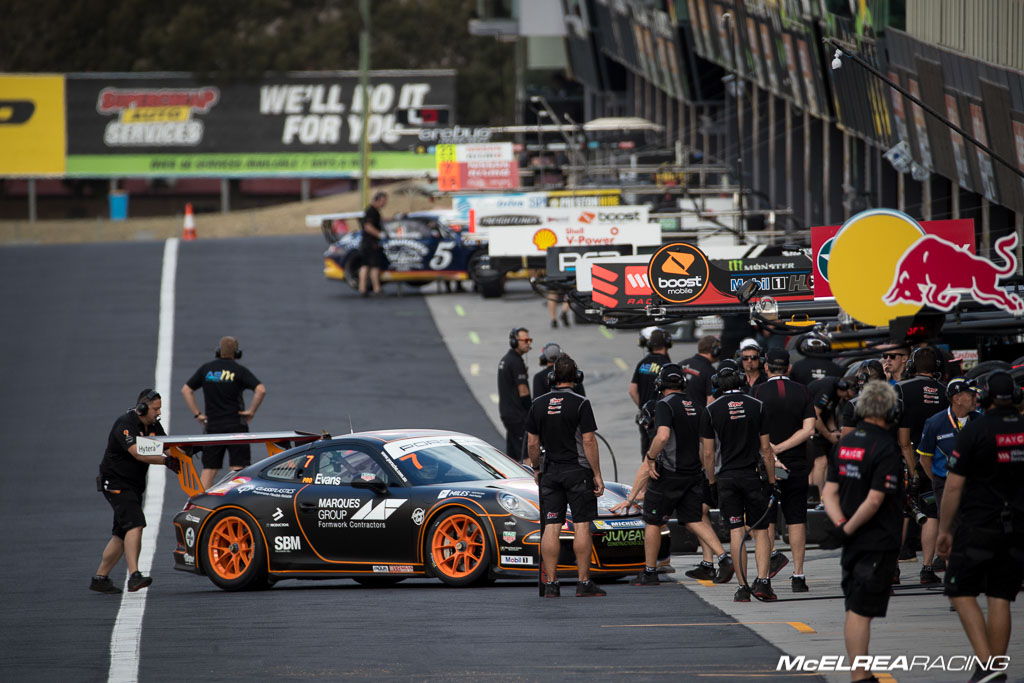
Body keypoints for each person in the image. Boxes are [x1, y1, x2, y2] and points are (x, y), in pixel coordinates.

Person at [938, 371, 1023, 683]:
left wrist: (945, 529)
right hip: (1017, 527)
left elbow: (953, 487)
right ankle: (994, 667)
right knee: (1001, 595)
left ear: (983, 397)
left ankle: (988, 665)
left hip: (979, 523)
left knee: (959, 590)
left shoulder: (975, 430)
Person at [821, 381, 904, 683]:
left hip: (852, 539)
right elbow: (874, 499)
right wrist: (850, 528)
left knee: (854, 606)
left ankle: (861, 672)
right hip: (876, 538)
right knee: (860, 609)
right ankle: (859, 675)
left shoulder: (845, 443)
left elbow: (828, 493)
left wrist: (841, 525)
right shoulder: (885, 447)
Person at [620, 364, 732, 586]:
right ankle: (724, 557)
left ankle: (650, 572)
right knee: (693, 519)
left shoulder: (664, 405)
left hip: (668, 474)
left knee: (652, 521)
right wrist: (708, 476)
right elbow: (707, 448)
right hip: (692, 473)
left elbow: (662, 436)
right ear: (683, 383)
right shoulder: (698, 406)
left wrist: (651, 457)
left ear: (660, 384)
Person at [526, 354, 606, 598]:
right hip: (577, 471)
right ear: (576, 377)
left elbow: (532, 443)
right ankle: (583, 583)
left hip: (550, 472)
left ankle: (551, 584)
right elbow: (589, 440)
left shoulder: (538, 404)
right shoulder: (581, 403)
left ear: (552, 377)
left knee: (551, 526)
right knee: (581, 524)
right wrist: (597, 474)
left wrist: (537, 469)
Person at [700, 363, 777, 602]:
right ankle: (763, 582)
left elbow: (709, 454)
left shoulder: (711, 410)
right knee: (760, 531)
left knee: (736, 530)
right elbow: (766, 450)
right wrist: (772, 481)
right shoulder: (757, 405)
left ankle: (743, 587)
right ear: (741, 380)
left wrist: (711, 481)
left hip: (727, 478)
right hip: (753, 475)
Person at [91, 389, 180, 594]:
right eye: (155, 409)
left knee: (121, 533)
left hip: (132, 485)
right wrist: (167, 462)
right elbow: (138, 453)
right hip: (116, 483)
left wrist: (187, 451)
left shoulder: (152, 424)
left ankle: (100, 578)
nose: (158, 413)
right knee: (136, 524)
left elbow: (168, 447)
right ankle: (134, 576)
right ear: (142, 408)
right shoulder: (125, 424)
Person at [753, 348, 816, 592]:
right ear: (789, 368)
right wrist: (783, 448)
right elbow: (809, 429)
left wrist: (771, 451)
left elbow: (754, 429)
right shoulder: (803, 390)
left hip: (768, 464)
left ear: (766, 367)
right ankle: (798, 575)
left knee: (767, 519)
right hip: (797, 462)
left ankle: (764, 574)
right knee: (797, 519)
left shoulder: (758, 391)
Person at [181, 336, 266, 490]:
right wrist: (251, 411)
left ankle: (198, 505)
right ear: (237, 353)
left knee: (209, 469)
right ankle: (232, 503)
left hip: (213, 426)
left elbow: (186, 390)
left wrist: (197, 414)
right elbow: (260, 390)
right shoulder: (239, 371)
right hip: (236, 425)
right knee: (237, 470)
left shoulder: (206, 369)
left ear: (218, 351)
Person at [894, 346, 948, 582]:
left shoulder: (901, 389)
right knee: (931, 513)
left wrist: (912, 467)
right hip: (937, 460)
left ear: (912, 365)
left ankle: (892, 568)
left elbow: (903, 440)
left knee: (898, 513)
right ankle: (927, 568)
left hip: (906, 461)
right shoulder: (945, 391)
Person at [917, 378, 979, 520]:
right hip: (946, 485)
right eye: (971, 395)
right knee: (952, 530)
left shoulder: (979, 420)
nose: (976, 398)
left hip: (974, 484)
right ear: (957, 398)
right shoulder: (934, 423)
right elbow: (924, 458)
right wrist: (938, 482)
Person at [807, 376, 856, 503]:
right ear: (845, 387)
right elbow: (815, 415)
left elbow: (828, 414)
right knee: (820, 461)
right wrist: (828, 435)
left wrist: (834, 431)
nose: (850, 398)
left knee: (821, 464)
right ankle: (818, 499)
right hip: (806, 427)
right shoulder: (827, 389)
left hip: (814, 427)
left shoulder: (836, 394)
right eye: (851, 393)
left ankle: (813, 497)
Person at [629, 328, 672, 458]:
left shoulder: (642, 363)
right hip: (660, 417)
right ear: (667, 343)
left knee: (645, 452)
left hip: (644, 415)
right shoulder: (667, 366)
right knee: (658, 454)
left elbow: (632, 390)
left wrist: (643, 406)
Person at [498, 327, 532, 462]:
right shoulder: (516, 362)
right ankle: (531, 482)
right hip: (517, 415)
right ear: (514, 342)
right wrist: (531, 410)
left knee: (512, 456)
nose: (528, 343)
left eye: (529, 340)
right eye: (524, 340)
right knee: (527, 454)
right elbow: (523, 390)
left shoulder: (507, 359)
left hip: (508, 414)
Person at [358, 191, 388, 296]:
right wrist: (380, 234)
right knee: (374, 266)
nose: (385, 204)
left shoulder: (372, 211)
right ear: (378, 200)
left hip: (366, 243)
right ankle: (376, 289)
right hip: (371, 243)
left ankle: (362, 288)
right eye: (384, 201)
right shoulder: (372, 211)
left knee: (365, 265)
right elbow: (368, 226)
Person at [680, 335, 721, 406]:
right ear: (715, 351)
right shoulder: (710, 372)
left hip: (679, 412)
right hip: (698, 415)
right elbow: (711, 402)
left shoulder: (681, 364)